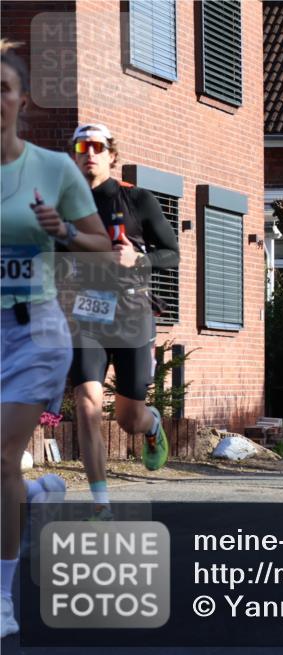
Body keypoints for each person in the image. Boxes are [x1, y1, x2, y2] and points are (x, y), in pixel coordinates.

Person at [1, 39, 110, 638]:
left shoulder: (53, 168)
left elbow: (99, 242)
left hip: (32, 330)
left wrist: (64, 227)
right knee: (4, 470)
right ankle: (35, 490)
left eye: (3, 89)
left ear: (20, 100)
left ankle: (3, 600)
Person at [67, 123, 179, 520]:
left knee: (128, 418)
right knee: (86, 403)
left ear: (112, 155)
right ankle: (101, 503)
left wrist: (139, 260)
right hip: (87, 319)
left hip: (132, 317)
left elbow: (172, 254)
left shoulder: (138, 200)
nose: (89, 152)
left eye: (98, 146)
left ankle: (151, 426)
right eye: (82, 146)